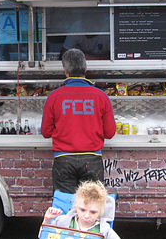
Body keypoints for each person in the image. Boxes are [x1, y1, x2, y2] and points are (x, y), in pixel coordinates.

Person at [41, 49, 117, 194]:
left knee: (65, 207)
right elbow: (110, 133)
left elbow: (45, 132)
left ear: (65, 71)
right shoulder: (101, 96)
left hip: (63, 159)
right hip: (92, 159)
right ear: (85, 69)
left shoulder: (54, 97)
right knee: (91, 207)